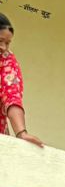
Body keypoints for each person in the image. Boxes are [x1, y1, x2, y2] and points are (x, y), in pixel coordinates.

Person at [1, 11, 44, 145]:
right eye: (0, 41)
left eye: (7, 43)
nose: (3, 47)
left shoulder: (6, 60)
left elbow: (12, 95)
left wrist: (21, 133)